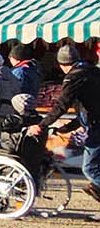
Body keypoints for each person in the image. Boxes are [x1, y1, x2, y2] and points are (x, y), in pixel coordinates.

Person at [31, 43, 100, 204]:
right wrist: (69, 127)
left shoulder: (74, 77)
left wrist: (42, 125)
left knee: (90, 169)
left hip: (96, 127)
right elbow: (90, 106)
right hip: (95, 123)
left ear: (62, 65)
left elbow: (61, 105)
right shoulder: (94, 72)